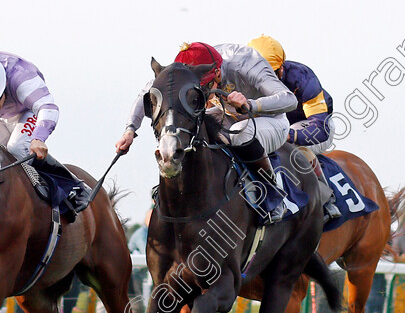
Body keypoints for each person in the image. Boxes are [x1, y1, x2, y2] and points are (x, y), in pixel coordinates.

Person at [117, 41, 297, 223]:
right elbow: (147, 92)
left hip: (270, 120)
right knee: (193, 129)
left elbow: (290, 100)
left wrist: (250, 104)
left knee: (240, 131)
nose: (202, 93)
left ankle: (272, 193)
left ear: (217, 73)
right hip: (227, 115)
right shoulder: (184, 67)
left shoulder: (245, 62)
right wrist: (130, 130)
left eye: (204, 87)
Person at [0, 52, 90, 214]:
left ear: (4, 85)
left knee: (16, 149)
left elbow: (48, 107)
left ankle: (72, 185)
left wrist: (38, 138)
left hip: (27, 112)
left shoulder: (22, 78)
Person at [246, 35, 340, 219]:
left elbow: (320, 128)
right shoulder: (241, 77)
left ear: (281, 68)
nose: (266, 80)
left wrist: (287, 135)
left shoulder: (302, 77)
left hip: (312, 126)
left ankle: (326, 198)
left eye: (271, 73)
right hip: (275, 125)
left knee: (289, 146)